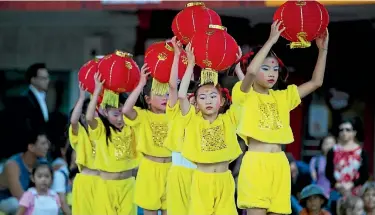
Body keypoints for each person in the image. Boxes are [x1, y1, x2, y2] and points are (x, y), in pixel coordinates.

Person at [235, 20, 329, 215]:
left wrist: (323, 50)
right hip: (256, 163)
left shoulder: (282, 97)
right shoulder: (244, 94)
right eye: (266, 68)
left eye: (275, 69)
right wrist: (271, 40)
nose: (272, 74)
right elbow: (251, 71)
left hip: (280, 164)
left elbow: (316, 82)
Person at [177, 43, 243, 215]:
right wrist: (190, 64)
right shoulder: (193, 120)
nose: (208, 100)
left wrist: (238, 69)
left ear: (221, 101)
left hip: (225, 180)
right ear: (196, 103)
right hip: (201, 180)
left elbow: (246, 95)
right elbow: (182, 95)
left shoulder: (229, 119)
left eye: (213, 96)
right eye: (203, 97)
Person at [122, 63, 172, 215]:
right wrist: (141, 84)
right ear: (148, 99)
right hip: (149, 168)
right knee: (149, 211)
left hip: (171, 168)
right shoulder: (142, 116)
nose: (165, 97)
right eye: (159, 94)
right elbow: (126, 110)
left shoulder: (174, 116)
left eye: (167, 94)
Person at [86, 73, 139, 215]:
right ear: (104, 112)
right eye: (115, 114)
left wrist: (138, 84)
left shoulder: (131, 126)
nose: (120, 119)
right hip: (106, 186)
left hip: (128, 184)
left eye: (122, 113)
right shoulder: (101, 130)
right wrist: (97, 91)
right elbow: (89, 117)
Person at [164, 37, 197, 215]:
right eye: (189, 93)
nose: (190, 97)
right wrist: (178, 56)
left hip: (201, 171)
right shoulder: (174, 111)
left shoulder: (202, 115)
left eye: (195, 94)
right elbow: (172, 87)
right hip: (178, 171)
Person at [0, 130, 50, 215]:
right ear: (31, 147)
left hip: (30, 199)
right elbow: (20, 196)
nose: (47, 147)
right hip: (7, 199)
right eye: (43, 144)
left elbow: (47, 188)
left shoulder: (42, 162)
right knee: (15, 205)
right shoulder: (13, 165)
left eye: (47, 143)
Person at [69, 84, 100, 215]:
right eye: (93, 112)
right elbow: (73, 121)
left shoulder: (106, 133)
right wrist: (81, 98)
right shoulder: (80, 134)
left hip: (105, 181)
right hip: (85, 182)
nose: (96, 117)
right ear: (83, 116)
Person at [325, 120, 369, 197]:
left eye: (348, 130)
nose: (344, 132)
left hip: (356, 192)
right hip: (336, 191)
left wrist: (352, 184)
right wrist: (336, 184)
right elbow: (328, 172)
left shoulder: (361, 152)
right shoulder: (332, 150)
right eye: (341, 130)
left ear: (354, 132)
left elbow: (365, 174)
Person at [24, 63, 50, 130]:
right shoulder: (25, 98)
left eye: (48, 78)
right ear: (33, 80)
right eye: (44, 78)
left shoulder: (43, 97)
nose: (48, 81)